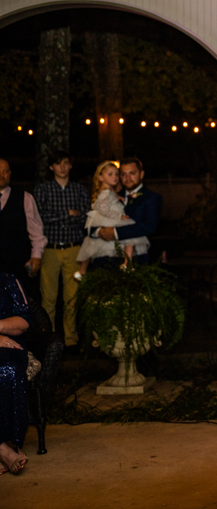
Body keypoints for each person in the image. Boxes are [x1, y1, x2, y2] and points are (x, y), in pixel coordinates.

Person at [34, 150, 89, 350]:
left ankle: (71, 340)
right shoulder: (43, 190)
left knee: (72, 298)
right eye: (58, 164)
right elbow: (41, 217)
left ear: (71, 165)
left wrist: (61, 216)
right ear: (51, 167)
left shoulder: (80, 190)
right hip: (50, 249)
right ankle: (49, 341)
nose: (63, 167)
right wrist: (68, 213)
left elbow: (84, 218)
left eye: (66, 163)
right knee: (48, 298)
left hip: (75, 248)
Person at [75, 161, 149, 274]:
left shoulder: (111, 192)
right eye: (110, 174)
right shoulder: (106, 193)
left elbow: (148, 225)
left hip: (120, 244)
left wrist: (117, 197)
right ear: (101, 177)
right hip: (109, 226)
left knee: (129, 240)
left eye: (116, 174)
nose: (115, 177)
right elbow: (103, 208)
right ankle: (126, 263)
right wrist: (119, 216)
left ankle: (83, 270)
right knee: (129, 241)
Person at [90, 158, 162, 268]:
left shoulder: (151, 198)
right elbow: (92, 219)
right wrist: (99, 231)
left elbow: (148, 226)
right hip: (106, 257)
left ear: (141, 174)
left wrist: (115, 232)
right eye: (123, 174)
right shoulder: (111, 195)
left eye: (132, 173)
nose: (127, 178)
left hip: (136, 259)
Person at [0, 272, 32, 475]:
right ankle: (3, 450)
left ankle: (9, 441)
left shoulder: (8, 280)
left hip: (7, 346)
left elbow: (24, 322)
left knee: (7, 369)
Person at [0, 158, 46, 292]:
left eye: (5, 171)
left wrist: (36, 256)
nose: (1, 175)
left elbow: (36, 231)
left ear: (10, 174)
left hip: (16, 268)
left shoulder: (25, 198)